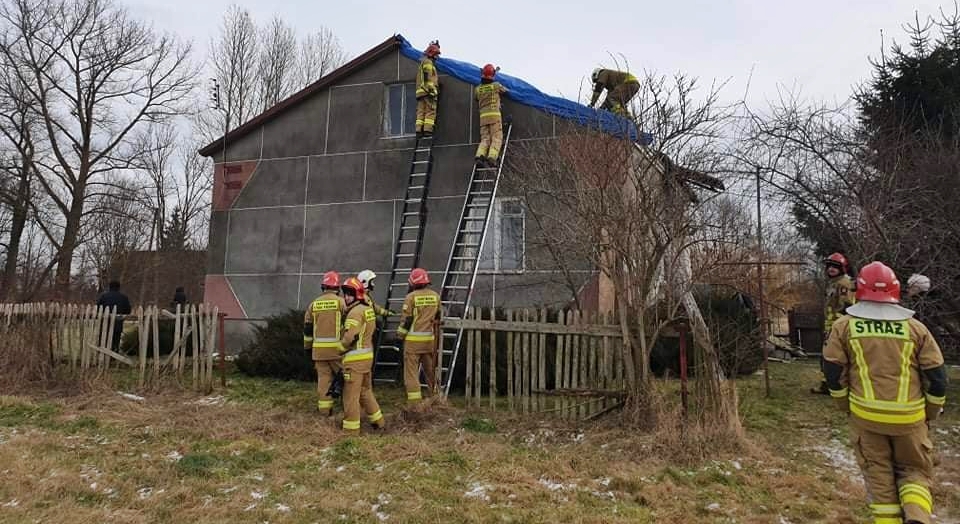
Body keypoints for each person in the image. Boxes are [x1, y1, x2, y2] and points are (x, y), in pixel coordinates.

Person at [824, 261, 947, 524]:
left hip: (866, 418)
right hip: (910, 420)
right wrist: (931, 412)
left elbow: (833, 372)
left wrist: (843, 405)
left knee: (879, 476)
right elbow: (936, 377)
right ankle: (917, 517)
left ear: (860, 289)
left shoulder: (844, 326)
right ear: (896, 290)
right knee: (914, 471)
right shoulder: (915, 328)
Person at [338, 277, 385, 433]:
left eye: (349, 294)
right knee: (366, 391)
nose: (346, 297)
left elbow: (349, 338)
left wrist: (339, 349)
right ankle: (379, 422)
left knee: (350, 396)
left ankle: (351, 432)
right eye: (345, 294)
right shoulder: (367, 309)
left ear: (357, 294)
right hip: (366, 359)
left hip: (354, 362)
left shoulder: (354, 313)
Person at [812, 252, 857, 394]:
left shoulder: (844, 283)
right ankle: (827, 384)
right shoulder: (834, 283)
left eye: (835, 267)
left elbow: (847, 306)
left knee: (833, 357)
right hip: (831, 326)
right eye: (829, 266)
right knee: (827, 356)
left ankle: (833, 386)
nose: (831, 269)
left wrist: (840, 325)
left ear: (842, 268)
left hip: (838, 327)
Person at [304, 271, 346, 416]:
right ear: (337, 287)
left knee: (323, 381)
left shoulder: (313, 304)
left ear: (323, 287)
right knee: (346, 377)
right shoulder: (341, 302)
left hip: (319, 352)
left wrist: (307, 348)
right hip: (337, 350)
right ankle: (350, 407)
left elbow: (307, 330)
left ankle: (324, 411)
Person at [396, 268, 442, 402]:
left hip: (413, 343)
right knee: (430, 371)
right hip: (429, 341)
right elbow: (438, 317)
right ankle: (436, 399)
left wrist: (399, 338)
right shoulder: (435, 296)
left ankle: (415, 404)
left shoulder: (410, 297)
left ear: (413, 283)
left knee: (411, 374)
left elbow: (407, 320)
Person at [474, 64, 508, 168]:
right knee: (497, 138)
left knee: (485, 139)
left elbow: (476, 98)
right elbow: (505, 91)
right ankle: (492, 157)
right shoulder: (496, 86)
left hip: (483, 118)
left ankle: (479, 156)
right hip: (494, 117)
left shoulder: (478, 89)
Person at [96, 280, 132, 351]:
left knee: (104, 339)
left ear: (109, 287)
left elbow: (98, 309)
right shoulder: (124, 297)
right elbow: (128, 311)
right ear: (119, 288)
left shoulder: (103, 296)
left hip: (105, 322)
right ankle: (114, 355)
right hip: (118, 322)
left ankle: (102, 353)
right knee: (115, 340)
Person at [415, 40, 441, 137]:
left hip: (420, 93)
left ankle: (418, 130)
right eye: (436, 55)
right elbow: (428, 78)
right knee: (430, 111)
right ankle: (427, 130)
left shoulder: (422, 62)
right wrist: (433, 91)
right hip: (427, 91)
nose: (437, 58)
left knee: (421, 111)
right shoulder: (428, 63)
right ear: (433, 54)